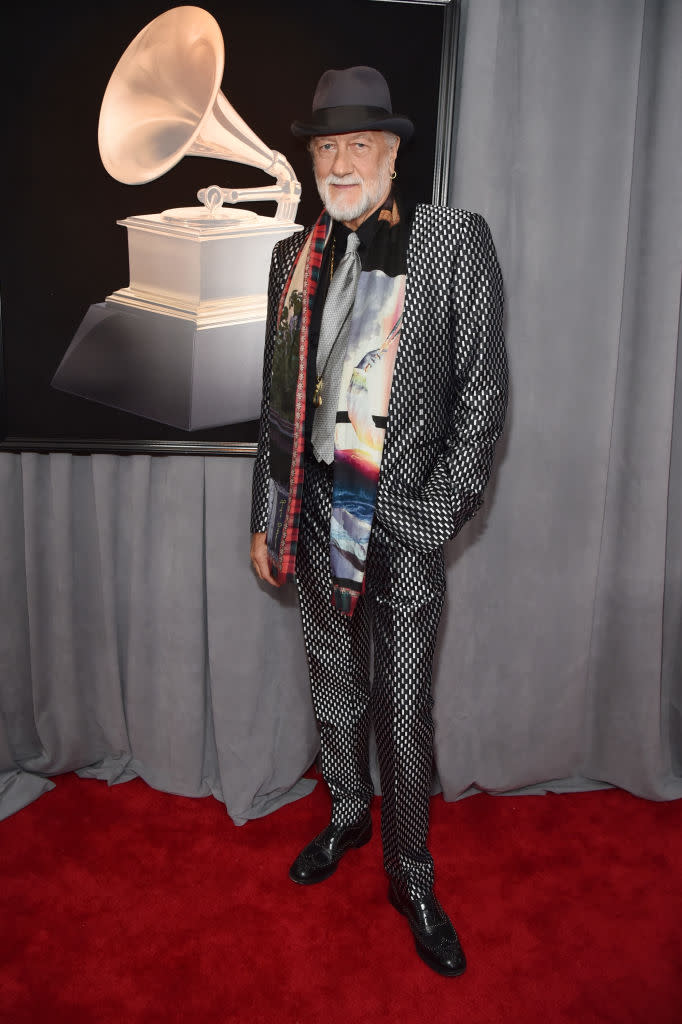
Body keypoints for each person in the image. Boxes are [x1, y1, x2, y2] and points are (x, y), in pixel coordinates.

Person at [250, 66, 508, 977]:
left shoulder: (452, 243)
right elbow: (278, 406)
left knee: (402, 709)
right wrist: (269, 512)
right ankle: (347, 818)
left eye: (361, 144)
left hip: (402, 521)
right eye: (327, 146)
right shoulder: (294, 257)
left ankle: (412, 876)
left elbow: (482, 398)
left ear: (393, 154)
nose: (343, 162)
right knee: (331, 679)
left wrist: (436, 517)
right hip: (316, 507)